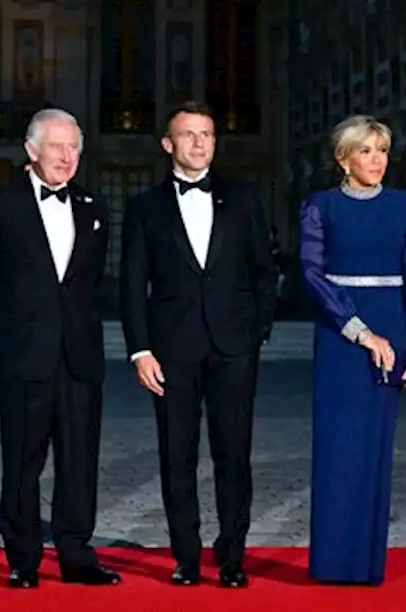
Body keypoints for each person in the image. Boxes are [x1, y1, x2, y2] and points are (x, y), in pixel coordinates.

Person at [119, 102, 278, 589]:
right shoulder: (145, 208)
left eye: (206, 134)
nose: (199, 143)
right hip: (171, 351)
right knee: (177, 455)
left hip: (234, 347)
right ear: (168, 144)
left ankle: (232, 556)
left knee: (235, 454)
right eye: (188, 135)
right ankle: (186, 557)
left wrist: (257, 332)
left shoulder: (246, 198)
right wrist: (140, 349)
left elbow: (264, 270)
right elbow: (131, 284)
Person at [0, 108, 120, 590]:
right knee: (23, 461)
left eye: (74, 147)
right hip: (20, 354)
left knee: (79, 461)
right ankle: (23, 558)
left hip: (79, 355)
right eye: (57, 146)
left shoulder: (94, 207)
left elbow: (88, 283)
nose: (67, 156)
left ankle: (76, 555)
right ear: (32, 151)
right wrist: (20, 326)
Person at [299, 115, 406, 586]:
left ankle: (364, 565)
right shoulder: (321, 207)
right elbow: (313, 276)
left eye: (381, 150)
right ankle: (333, 564)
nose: (377, 161)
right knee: (338, 448)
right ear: (343, 158)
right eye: (366, 151)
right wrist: (358, 331)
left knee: (374, 448)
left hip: (391, 333)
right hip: (340, 336)